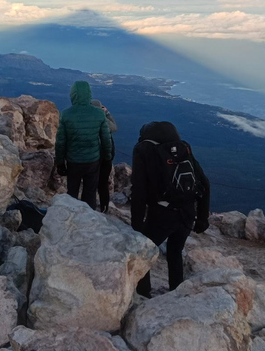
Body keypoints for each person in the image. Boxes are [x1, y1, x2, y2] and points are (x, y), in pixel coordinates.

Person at [131, 121, 211, 298]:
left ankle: (143, 294)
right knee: (175, 252)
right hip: (187, 214)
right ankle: (176, 293)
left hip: (162, 215)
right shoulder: (183, 149)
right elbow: (204, 182)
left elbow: (139, 192)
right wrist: (202, 218)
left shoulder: (144, 150)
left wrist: (136, 227)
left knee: (142, 253)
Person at [54, 81, 112, 210]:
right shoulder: (99, 114)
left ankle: (72, 218)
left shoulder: (66, 114)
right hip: (93, 161)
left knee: (72, 192)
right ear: (89, 94)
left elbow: (60, 142)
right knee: (90, 193)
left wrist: (60, 163)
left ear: (73, 95)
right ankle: (89, 219)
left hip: (73, 161)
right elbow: (106, 139)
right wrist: (107, 158)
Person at [91, 99, 117, 213]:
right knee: (103, 183)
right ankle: (104, 207)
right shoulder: (103, 119)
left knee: (91, 182)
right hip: (106, 156)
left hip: (92, 155)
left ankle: (89, 206)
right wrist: (106, 113)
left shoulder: (89, 118)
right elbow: (114, 127)